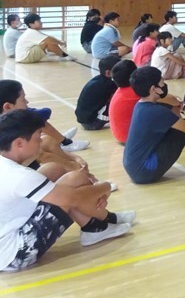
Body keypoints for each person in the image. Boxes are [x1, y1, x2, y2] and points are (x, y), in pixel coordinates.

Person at [0, 109, 134, 271]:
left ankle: (97, 223)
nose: (40, 142)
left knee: (54, 169)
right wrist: (104, 187)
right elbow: (73, 198)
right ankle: (99, 223)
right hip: (14, 254)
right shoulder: (20, 176)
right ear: (19, 143)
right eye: (37, 138)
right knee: (74, 181)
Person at [122, 66, 185, 184]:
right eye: (162, 82)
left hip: (134, 167)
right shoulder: (156, 112)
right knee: (182, 132)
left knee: (181, 128)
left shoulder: (141, 104)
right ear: (154, 89)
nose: (164, 85)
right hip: (144, 171)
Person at [76, 54, 121, 130]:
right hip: (92, 123)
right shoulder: (109, 84)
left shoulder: (97, 79)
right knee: (118, 97)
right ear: (108, 73)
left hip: (84, 119)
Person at [107, 60, 140, 144]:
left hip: (119, 135)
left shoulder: (121, 90)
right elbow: (166, 99)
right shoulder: (136, 92)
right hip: (129, 138)